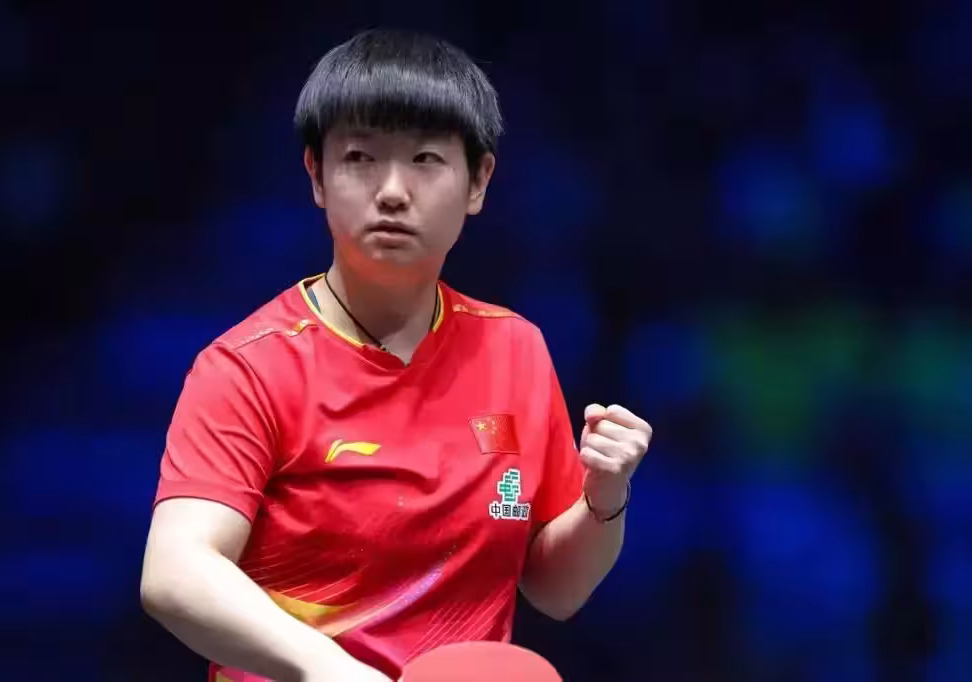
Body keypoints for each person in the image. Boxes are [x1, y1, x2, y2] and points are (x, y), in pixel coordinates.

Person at [140, 28, 652, 682]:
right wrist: (329, 670)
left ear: (478, 182)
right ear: (316, 176)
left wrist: (605, 497)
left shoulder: (515, 349)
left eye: (425, 159)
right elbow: (176, 571)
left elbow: (557, 588)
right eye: (359, 157)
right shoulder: (248, 368)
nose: (391, 190)